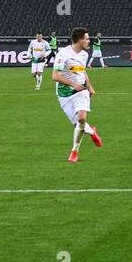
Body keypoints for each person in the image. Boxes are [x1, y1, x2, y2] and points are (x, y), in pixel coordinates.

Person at [52, 26, 103, 163]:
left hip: (81, 91)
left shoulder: (84, 55)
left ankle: (74, 151)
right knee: (78, 125)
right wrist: (73, 84)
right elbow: (55, 76)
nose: (88, 41)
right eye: (86, 39)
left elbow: (82, 71)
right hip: (64, 93)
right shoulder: (63, 54)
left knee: (81, 118)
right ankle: (92, 132)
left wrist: (90, 86)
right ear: (79, 40)